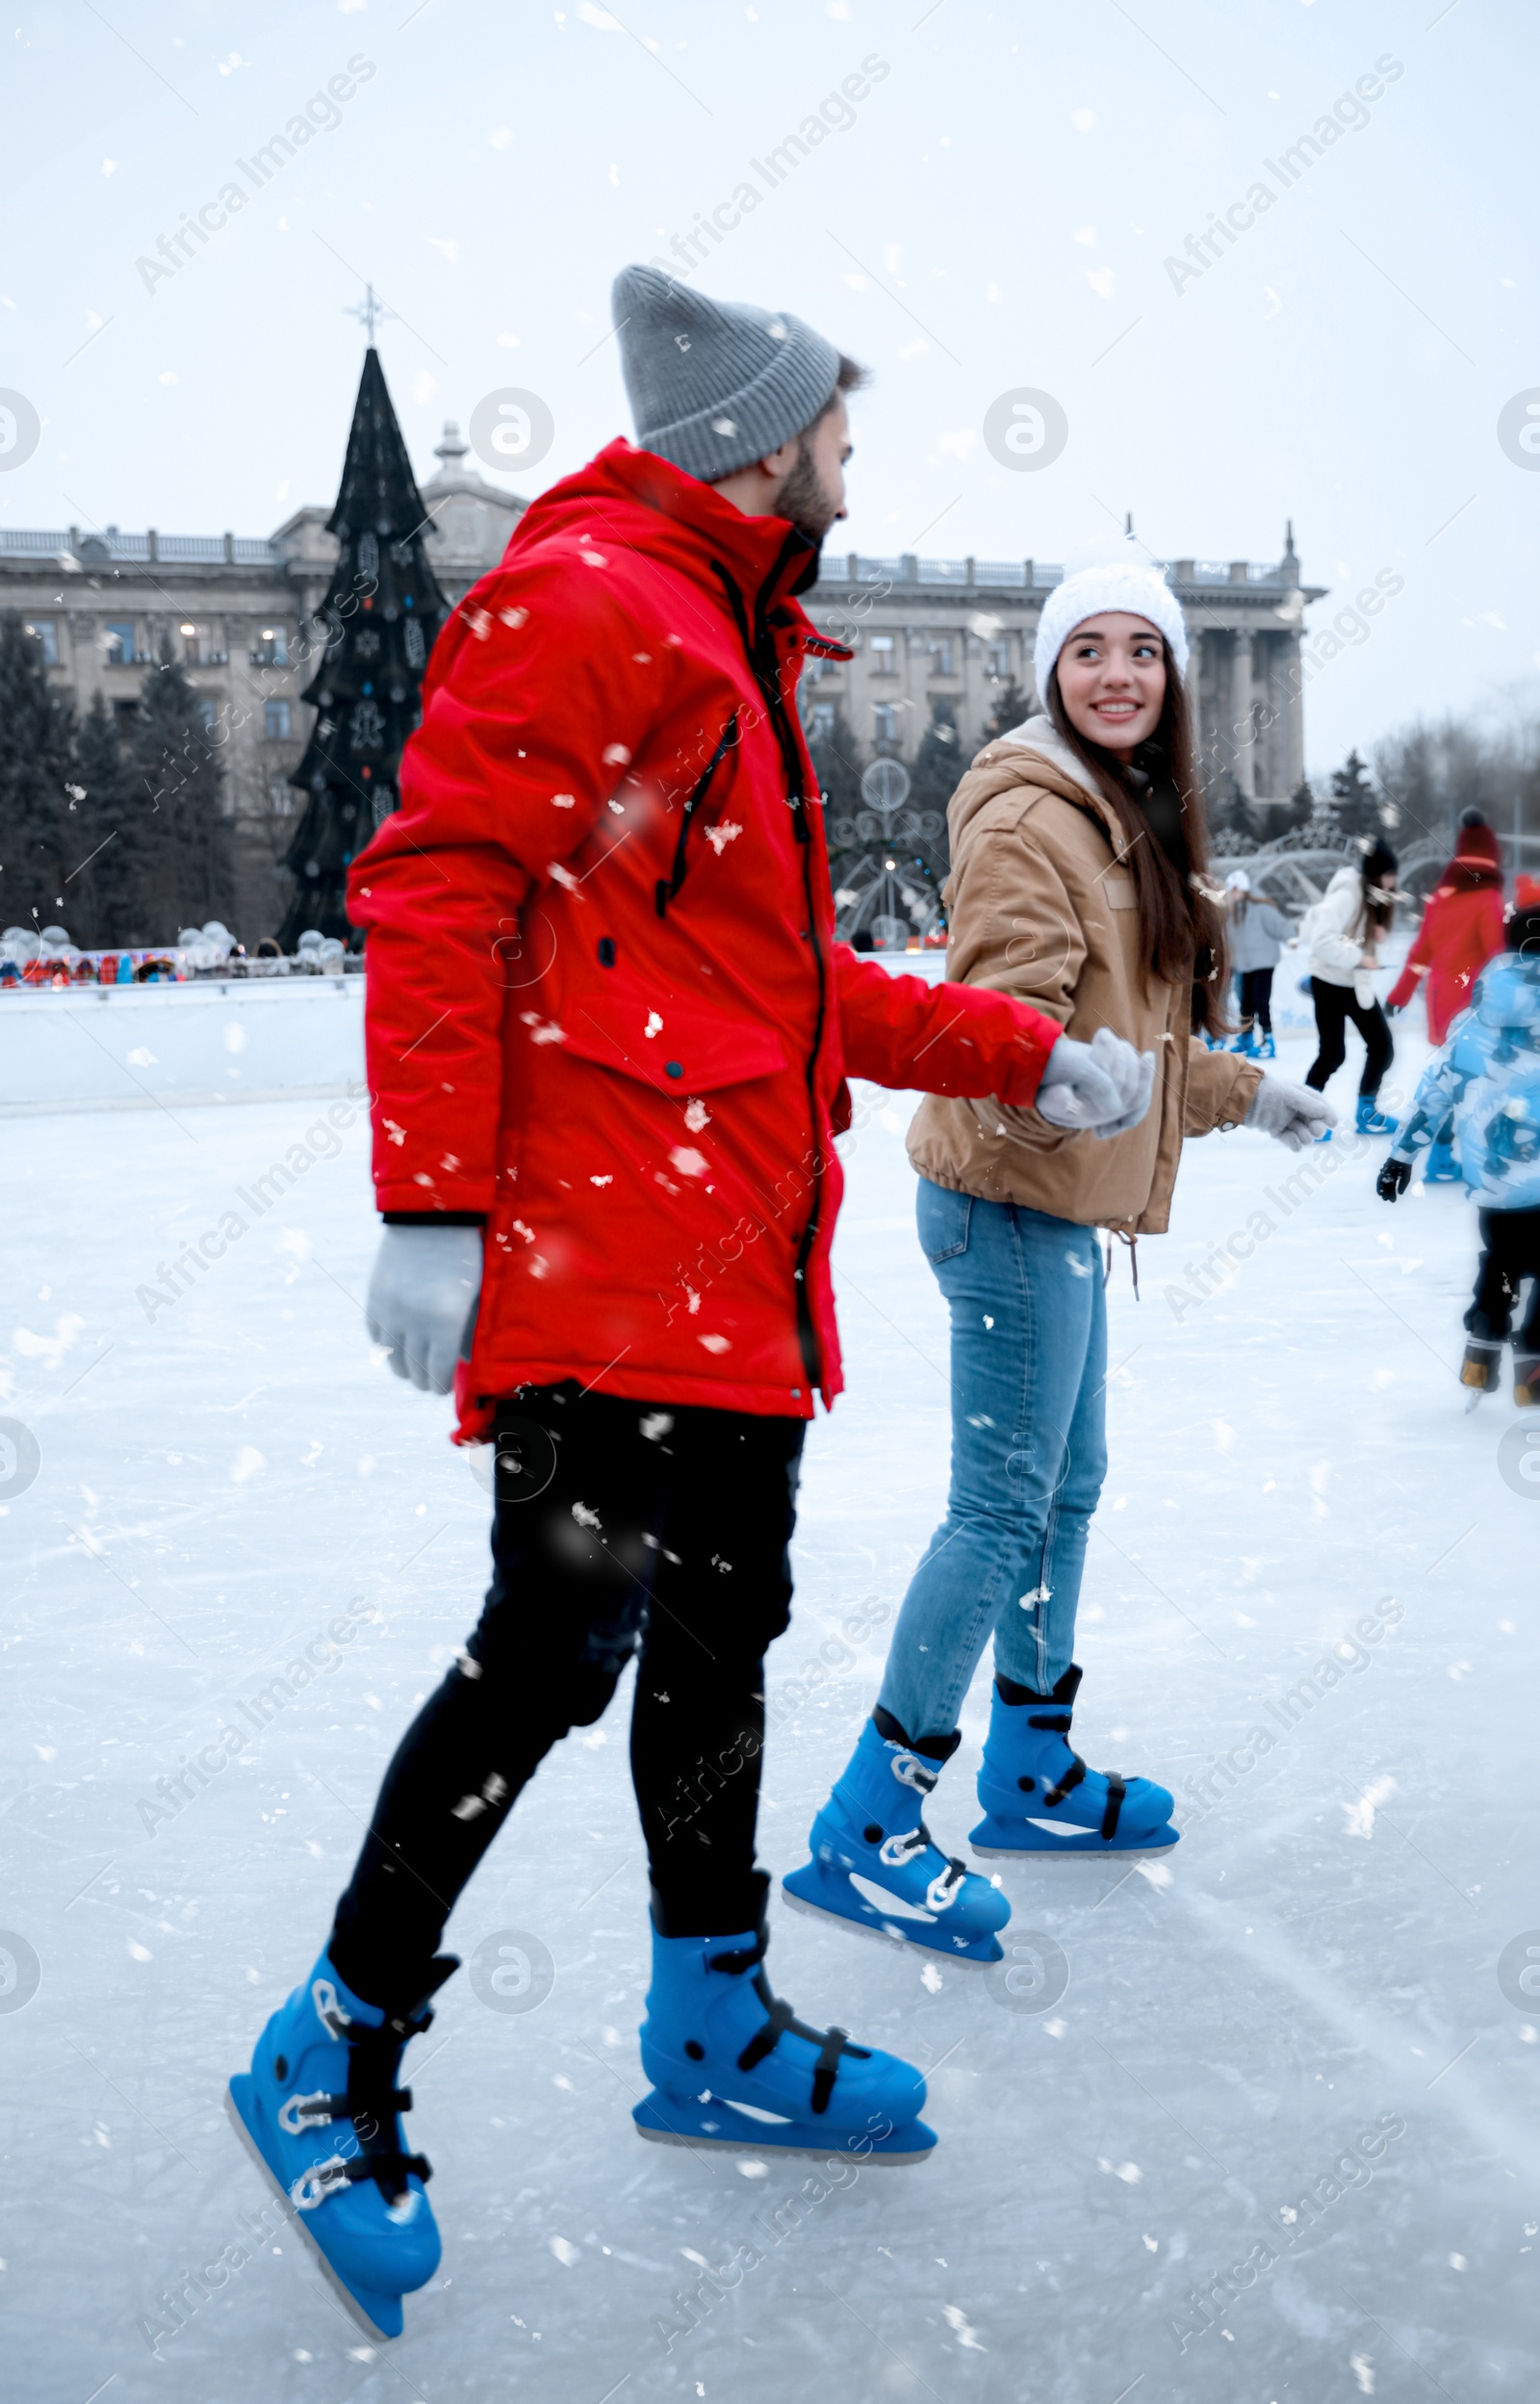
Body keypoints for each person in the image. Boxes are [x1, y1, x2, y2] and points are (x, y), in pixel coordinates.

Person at [223, 267, 1150, 2340]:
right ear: (763, 436)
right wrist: (430, 1204)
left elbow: (778, 995)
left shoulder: (716, 631)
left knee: (714, 1645)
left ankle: (709, 2018)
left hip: (722, 1274)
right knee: (542, 1661)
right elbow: (436, 880)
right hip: (603, 1272)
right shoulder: (596, 606)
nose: (851, 456)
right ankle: (331, 2045)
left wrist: (1026, 1056)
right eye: (837, 427)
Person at [782, 564, 1336, 1964]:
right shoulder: (1034, 816)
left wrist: (1247, 1092)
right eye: (1085, 651)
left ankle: (1029, 1762)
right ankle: (873, 1813)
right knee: (1000, 1510)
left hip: (1056, 1208)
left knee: (1062, 1492)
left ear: (1172, 681)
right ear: (1050, 674)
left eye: (1141, 652)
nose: (1116, 675)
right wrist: (1039, 1085)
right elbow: (1009, 1016)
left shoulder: (1121, 815)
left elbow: (1129, 1049)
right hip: (1009, 1205)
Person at [1377, 884, 1540, 1406]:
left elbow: (1434, 1095)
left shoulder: (1472, 1027)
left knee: (1503, 1259)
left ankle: (1482, 1345)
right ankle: (1532, 1364)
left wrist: (1401, 1155)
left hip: (1494, 1181)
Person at [1298, 839, 1399, 1135]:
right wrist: (1359, 958)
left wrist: (1374, 935)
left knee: (1382, 1047)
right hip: (1330, 983)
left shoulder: (1371, 897)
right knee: (1332, 1054)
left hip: (1354, 985)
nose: (1393, 882)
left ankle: (1366, 1112)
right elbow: (1322, 940)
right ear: (1375, 874)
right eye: (1389, 875)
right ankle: (1306, 1115)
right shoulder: (1348, 893)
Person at [1386, 808, 1505, 1046]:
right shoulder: (1488, 899)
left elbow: (1419, 956)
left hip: (1440, 1001)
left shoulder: (1439, 900)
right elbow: (1498, 956)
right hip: (1474, 1005)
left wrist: (1398, 997)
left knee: (1447, 1074)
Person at [1223, 867, 1294, 1058]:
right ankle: (1246, 1038)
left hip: (1263, 963)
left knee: (1261, 1002)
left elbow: (1282, 926)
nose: (1233, 894)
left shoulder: (1262, 908)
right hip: (1243, 964)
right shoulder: (1232, 912)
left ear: (1244, 889)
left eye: (1235, 890)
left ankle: (1268, 1042)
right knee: (1245, 1004)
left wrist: (1290, 938)